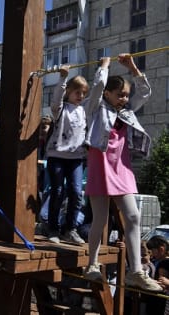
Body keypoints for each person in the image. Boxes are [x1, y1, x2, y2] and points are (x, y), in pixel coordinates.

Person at [83, 54, 162, 292]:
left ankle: (135, 271)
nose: (124, 98)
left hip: (122, 168)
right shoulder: (95, 108)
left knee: (133, 217)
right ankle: (92, 265)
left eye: (126, 94)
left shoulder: (126, 111)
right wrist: (104, 66)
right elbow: (96, 87)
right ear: (108, 94)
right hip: (101, 166)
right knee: (100, 219)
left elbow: (145, 93)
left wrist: (133, 68)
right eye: (120, 94)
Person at [44, 65, 88, 244]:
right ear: (69, 91)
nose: (81, 96)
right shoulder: (60, 109)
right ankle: (53, 228)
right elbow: (56, 101)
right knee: (58, 191)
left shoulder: (83, 110)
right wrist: (62, 78)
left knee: (77, 192)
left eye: (84, 93)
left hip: (76, 158)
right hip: (57, 156)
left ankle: (70, 228)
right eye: (78, 92)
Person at [143, 235, 169, 314]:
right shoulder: (159, 261)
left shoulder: (164, 263)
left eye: (152, 251)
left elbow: (162, 284)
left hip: (160, 304)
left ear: (161, 249)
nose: (151, 255)